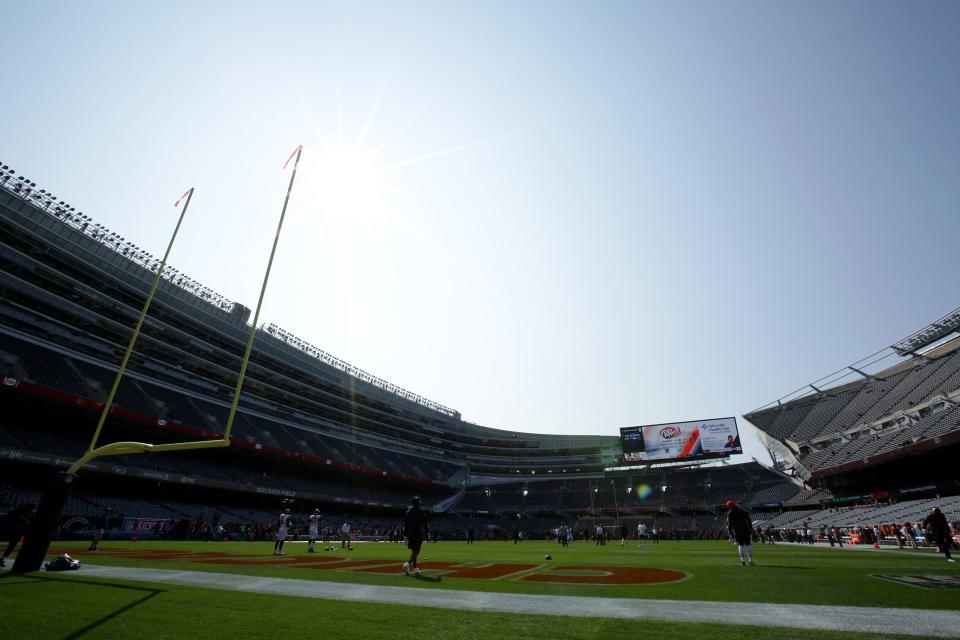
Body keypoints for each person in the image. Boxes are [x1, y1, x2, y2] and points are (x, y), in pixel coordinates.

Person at [1, 503, 35, 567]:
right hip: (8, 527)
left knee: (13, 543)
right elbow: (14, 518)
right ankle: (2, 558)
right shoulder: (18, 512)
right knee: (12, 543)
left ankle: (3, 558)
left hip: (12, 529)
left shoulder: (26, 513)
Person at [402, 496, 429, 576]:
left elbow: (405, 525)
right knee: (416, 552)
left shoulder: (408, 512)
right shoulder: (420, 511)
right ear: (418, 503)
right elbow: (425, 523)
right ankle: (407, 563)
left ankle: (415, 569)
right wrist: (428, 532)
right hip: (417, 533)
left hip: (410, 534)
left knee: (413, 551)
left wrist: (405, 536)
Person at [725, 500, 754, 566]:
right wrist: (750, 528)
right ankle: (751, 561)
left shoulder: (730, 513)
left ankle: (743, 561)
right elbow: (749, 520)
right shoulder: (742, 511)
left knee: (740, 545)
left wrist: (729, 532)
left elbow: (729, 523)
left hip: (737, 530)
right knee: (748, 544)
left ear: (729, 506)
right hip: (746, 529)